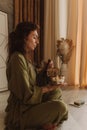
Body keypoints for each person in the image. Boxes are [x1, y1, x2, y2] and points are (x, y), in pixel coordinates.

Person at [5, 21, 68, 130]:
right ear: (24, 38)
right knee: (60, 107)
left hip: (29, 105)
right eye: (34, 37)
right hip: (21, 113)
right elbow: (26, 94)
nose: (37, 42)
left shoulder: (25, 57)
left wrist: (45, 70)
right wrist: (48, 88)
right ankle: (41, 122)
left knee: (56, 92)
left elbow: (34, 81)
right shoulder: (17, 59)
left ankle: (44, 121)